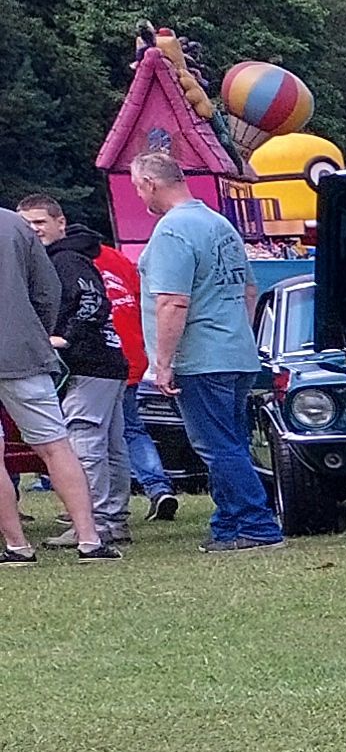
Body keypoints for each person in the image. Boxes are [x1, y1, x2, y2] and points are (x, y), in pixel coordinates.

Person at [129, 141, 278, 549]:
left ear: (148, 182)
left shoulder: (173, 230)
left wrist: (163, 362)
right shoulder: (220, 225)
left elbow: (172, 301)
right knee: (231, 442)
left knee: (216, 447)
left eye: (138, 188)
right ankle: (227, 526)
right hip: (237, 352)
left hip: (201, 358)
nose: (138, 196)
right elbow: (249, 290)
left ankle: (257, 525)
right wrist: (237, 335)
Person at [20, 192, 162, 528]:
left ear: (60, 223)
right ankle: (112, 519)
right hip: (109, 361)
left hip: (90, 363)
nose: (34, 230)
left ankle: (93, 521)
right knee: (112, 443)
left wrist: (64, 338)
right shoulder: (74, 255)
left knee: (84, 439)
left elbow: (92, 302)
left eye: (40, 222)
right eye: (27, 225)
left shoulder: (65, 259)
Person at [0, 196, 111, 561]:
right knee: (55, 445)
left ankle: (17, 545)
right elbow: (48, 288)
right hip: (22, 349)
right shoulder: (15, 224)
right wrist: (37, 330)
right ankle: (89, 539)